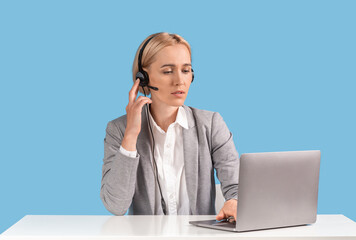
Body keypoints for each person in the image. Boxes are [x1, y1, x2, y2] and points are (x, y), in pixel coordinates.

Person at [100, 32, 240, 222]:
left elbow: (237, 187)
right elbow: (115, 205)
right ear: (143, 77)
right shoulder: (118, 129)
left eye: (186, 70)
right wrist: (131, 135)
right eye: (167, 71)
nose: (179, 81)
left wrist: (234, 200)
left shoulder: (211, 124)